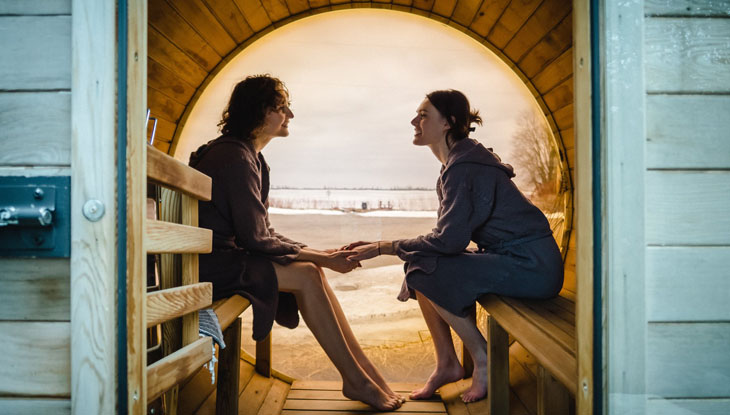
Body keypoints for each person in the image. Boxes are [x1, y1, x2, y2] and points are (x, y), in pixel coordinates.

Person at [189, 74, 402, 411]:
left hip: (225, 258)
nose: (290, 114)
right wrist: (321, 259)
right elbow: (256, 239)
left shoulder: (252, 158)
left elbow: (263, 231)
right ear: (258, 112)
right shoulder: (234, 157)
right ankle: (357, 380)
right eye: (281, 107)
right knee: (307, 273)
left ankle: (365, 375)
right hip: (206, 264)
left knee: (311, 271)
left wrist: (320, 254)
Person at [345, 89, 564, 403]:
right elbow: (447, 237)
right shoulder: (460, 162)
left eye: (423, 115)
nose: (413, 121)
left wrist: (383, 247)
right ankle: (447, 363)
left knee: (425, 266)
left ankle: (483, 358)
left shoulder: (463, 167)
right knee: (421, 262)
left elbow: (449, 241)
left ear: (448, 123)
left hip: (532, 266)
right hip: (519, 260)